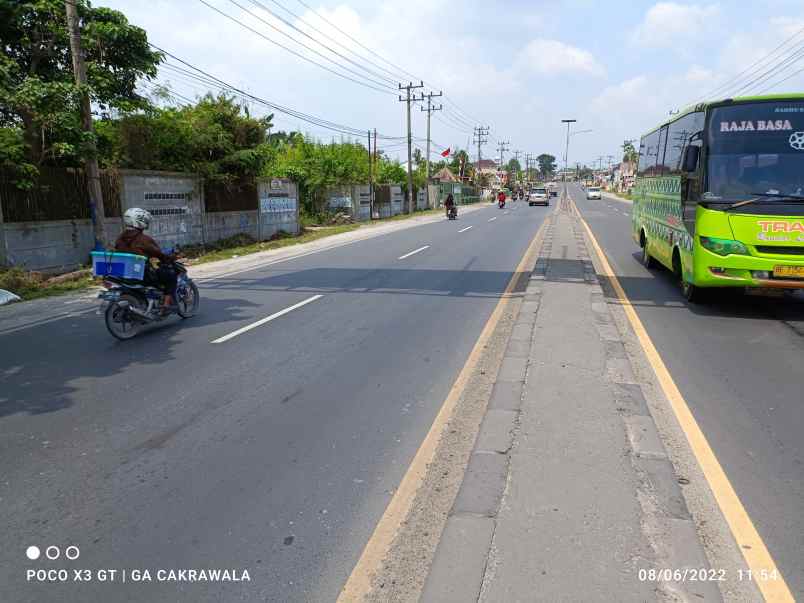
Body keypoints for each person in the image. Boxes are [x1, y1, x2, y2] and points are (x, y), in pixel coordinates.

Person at [114, 208, 177, 309]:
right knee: (171, 276)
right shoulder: (144, 239)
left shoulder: (120, 238)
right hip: (142, 274)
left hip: (124, 273)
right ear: (139, 221)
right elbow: (158, 254)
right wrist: (169, 258)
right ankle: (166, 304)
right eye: (145, 220)